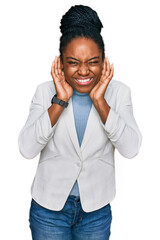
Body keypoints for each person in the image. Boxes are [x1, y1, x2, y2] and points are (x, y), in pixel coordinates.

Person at [18, 5, 142, 240]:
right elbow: (26, 148)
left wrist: (100, 101)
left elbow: (131, 148)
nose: (83, 71)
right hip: (48, 211)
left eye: (93, 61)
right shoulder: (45, 92)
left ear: (104, 61)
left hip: (95, 212)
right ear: (61, 62)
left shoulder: (119, 94)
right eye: (73, 62)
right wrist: (60, 101)